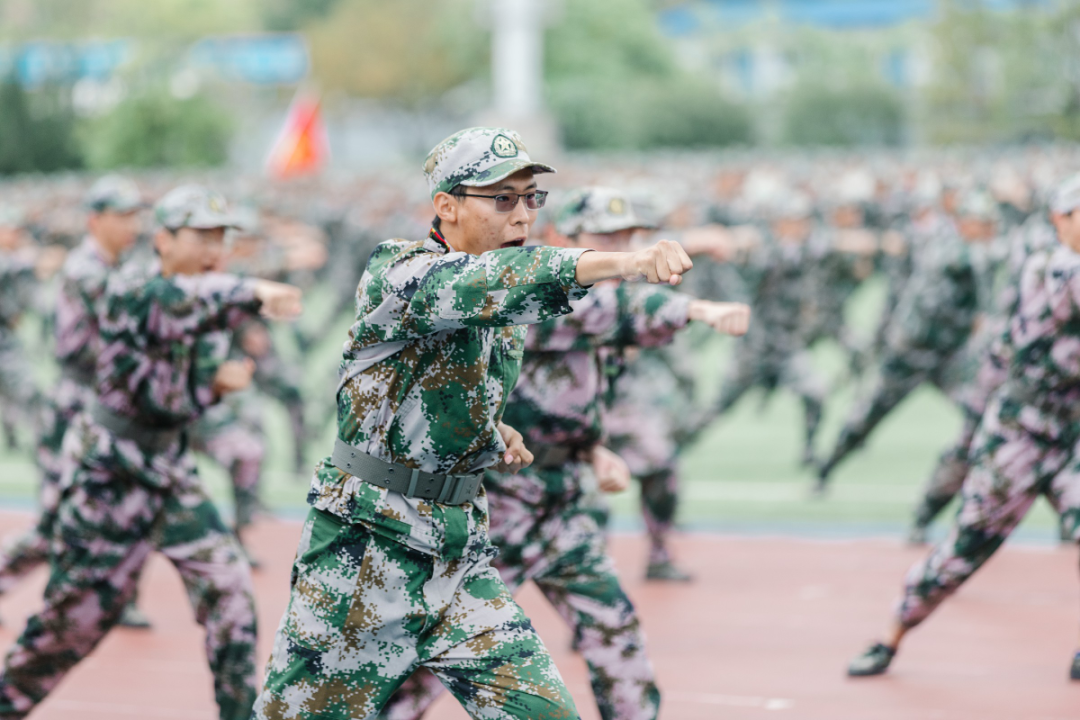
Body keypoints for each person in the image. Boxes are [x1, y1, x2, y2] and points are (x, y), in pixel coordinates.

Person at [252, 127, 696, 720]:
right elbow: (490, 285)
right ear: (447, 205)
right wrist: (625, 261)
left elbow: (440, 390)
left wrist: (491, 430)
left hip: (458, 554)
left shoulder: (504, 309)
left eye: (530, 198)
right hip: (366, 550)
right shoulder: (402, 271)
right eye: (502, 198)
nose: (521, 214)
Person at [379, 186, 750, 720]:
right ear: (565, 242)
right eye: (606, 238)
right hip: (496, 508)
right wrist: (697, 308)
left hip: (562, 501)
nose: (623, 247)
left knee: (614, 630)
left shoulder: (599, 311)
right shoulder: (539, 295)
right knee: (439, 653)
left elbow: (565, 395)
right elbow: (616, 307)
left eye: (630, 237)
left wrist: (595, 448)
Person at [0, 184, 303, 720]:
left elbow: (177, 386)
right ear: (163, 240)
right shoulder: (134, 288)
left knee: (231, 596)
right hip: (110, 475)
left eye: (222, 237)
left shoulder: (212, 301)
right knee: (70, 627)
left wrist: (214, 383)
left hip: (170, 471)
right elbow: (172, 310)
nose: (216, 248)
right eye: (202, 235)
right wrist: (251, 291)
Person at [846, 174, 1080, 680]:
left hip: (1073, 436)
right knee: (962, 551)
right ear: (1060, 220)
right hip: (1021, 436)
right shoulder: (1053, 268)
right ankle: (891, 636)